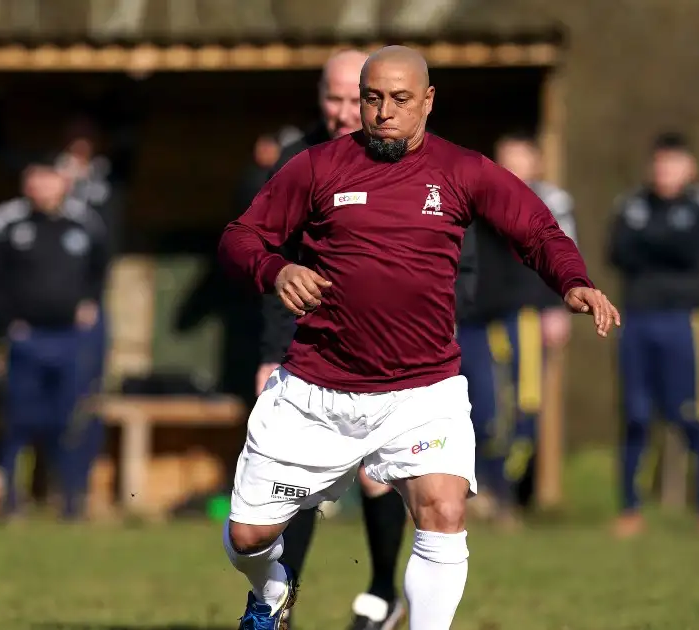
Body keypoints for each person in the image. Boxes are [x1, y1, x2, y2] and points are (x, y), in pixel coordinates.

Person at [218, 46, 618, 630]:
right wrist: (276, 269)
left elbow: (535, 226)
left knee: (444, 509)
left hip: (421, 391)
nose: (383, 113)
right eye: (372, 98)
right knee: (248, 535)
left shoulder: (462, 170)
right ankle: (271, 590)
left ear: (428, 102)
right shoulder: (316, 167)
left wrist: (573, 281)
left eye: (400, 100)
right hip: (316, 389)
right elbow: (240, 237)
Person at [253, 49, 413, 630]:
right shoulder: (297, 164)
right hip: (309, 353)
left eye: (357, 99)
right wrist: (271, 353)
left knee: (376, 476)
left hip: (396, 354)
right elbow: (273, 263)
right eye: (334, 98)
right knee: (294, 475)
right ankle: (281, 600)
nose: (345, 111)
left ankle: (381, 594)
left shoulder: (415, 160)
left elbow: (454, 270)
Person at [457, 133, 577, 526]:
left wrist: (558, 305)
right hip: (476, 318)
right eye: (503, 158)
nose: (511, 165)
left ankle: (506, 495)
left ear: (537, 162)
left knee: (523, 409)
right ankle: (482, 492)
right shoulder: (476, 199)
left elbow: (562, 255)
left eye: (519, 158)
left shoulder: (552, 202)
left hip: (523, 316)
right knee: (480, 410)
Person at [607, 131, 699, 539]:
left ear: (689, 168)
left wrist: (650, 243)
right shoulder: (630, 204)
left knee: (691, 415)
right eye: (659, 164)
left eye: (673, 164)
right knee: (636, 416)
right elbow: (618, 252)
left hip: (683, 322)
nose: (664, 172)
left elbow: (689, 250)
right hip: (636, 320)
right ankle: (629, 509)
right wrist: (662, 244)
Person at [0, 164, 109, 520]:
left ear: (63, 182)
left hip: (69, 339)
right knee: (18, 420)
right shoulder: (6, 224)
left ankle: (69, 501)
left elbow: (100, 268)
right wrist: (8, 321)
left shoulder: (84, 223)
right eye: (32, 178)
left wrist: (89, 303)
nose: (40, 185)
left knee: (69, 420)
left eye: (48, 178)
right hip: (26, 337)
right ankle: (10, 500)